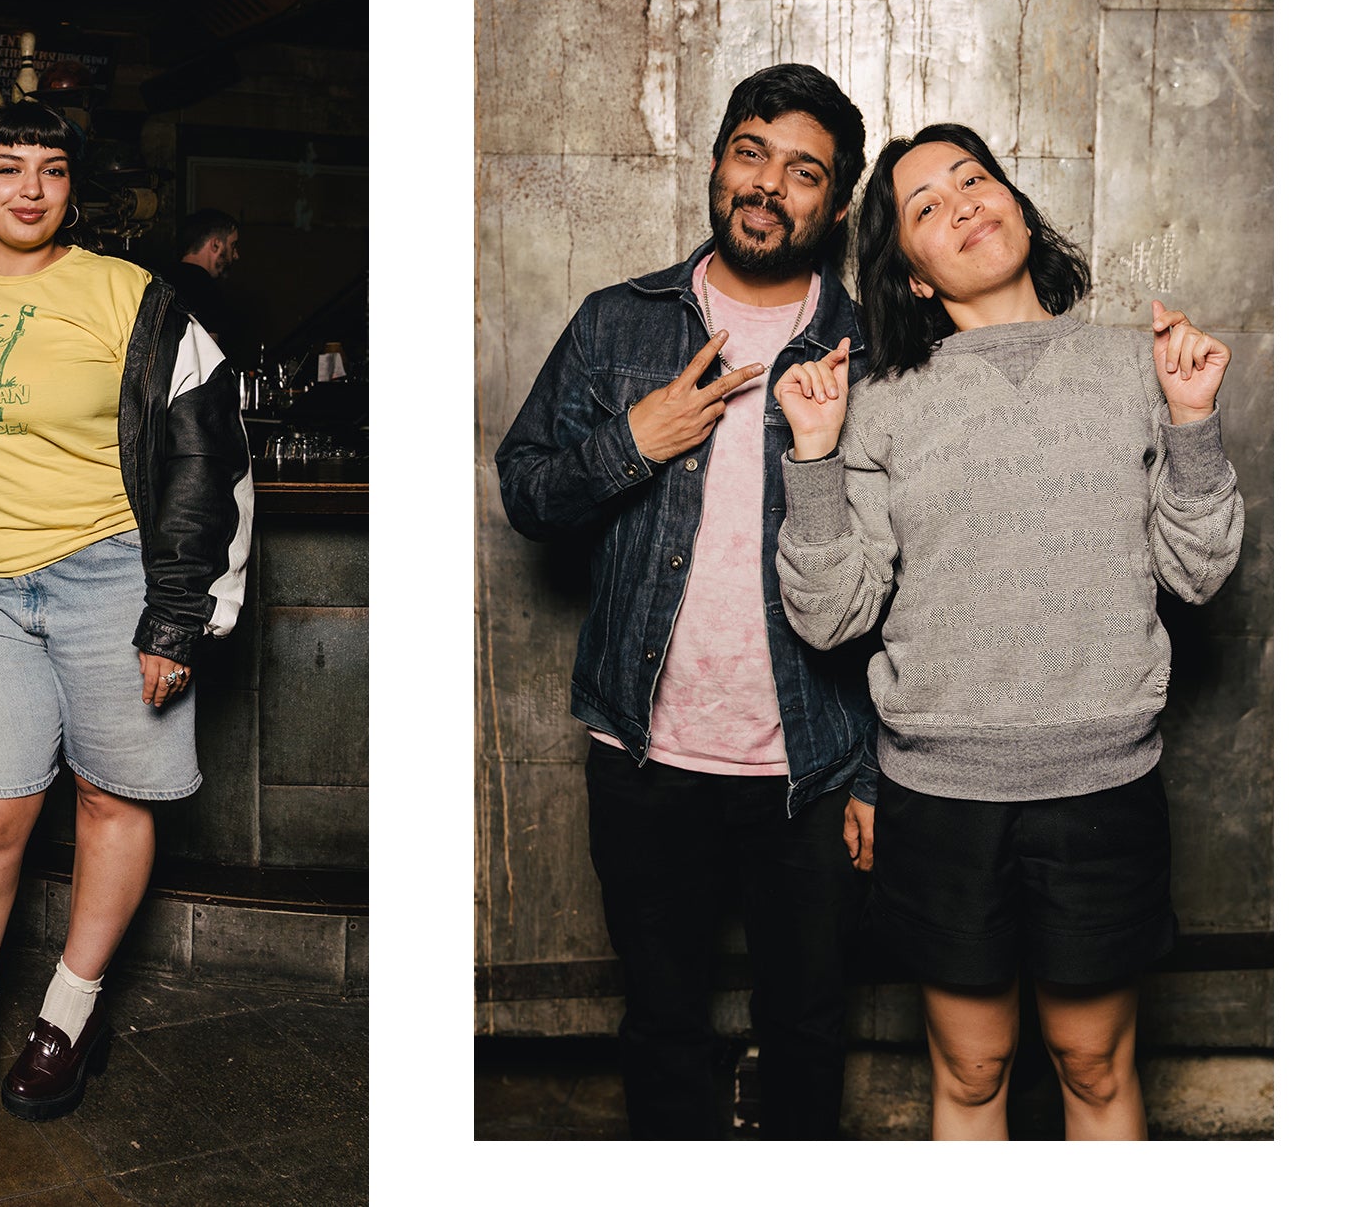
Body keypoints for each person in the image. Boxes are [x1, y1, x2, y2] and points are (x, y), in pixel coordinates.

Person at [772, 123, 1243, 1139]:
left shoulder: (1135, 368)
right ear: (909, 273)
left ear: (1017, 205)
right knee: (973, 1069)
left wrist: (1192, 420)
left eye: (972, 179)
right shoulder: (880, 405)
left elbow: (1197, 574)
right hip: (937, 797)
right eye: (926, 206)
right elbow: (827, 613)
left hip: (1101, 785)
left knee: (1091, 1064)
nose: (962, 205)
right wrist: (810, 456)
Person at [495, 63, 880, 1139]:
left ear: (835, 205)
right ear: (715, 165)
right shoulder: (619, 326)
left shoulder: (878, 350)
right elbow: (524, 490)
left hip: (811, 762)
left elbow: (907, 585)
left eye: (803, 170)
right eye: (749, 153)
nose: (768, 185)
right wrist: (634, 441)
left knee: (806, 1024)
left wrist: (873, 772)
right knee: (661, 1022)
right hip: (644, 751)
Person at [0, 101, 252, 1143]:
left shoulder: (131, 295)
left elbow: (205, 456)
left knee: (111, 798)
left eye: (50, 170)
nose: (30, 188)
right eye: (7, 169)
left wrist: (176, 616)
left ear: (71, 190)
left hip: (110, 582)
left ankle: (68, 1012)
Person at [166, 209, 240, 360]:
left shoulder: (160, 280)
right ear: (216, 245)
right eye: (233, 245)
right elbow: (210, 359)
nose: (236, 255)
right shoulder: (207, 289)